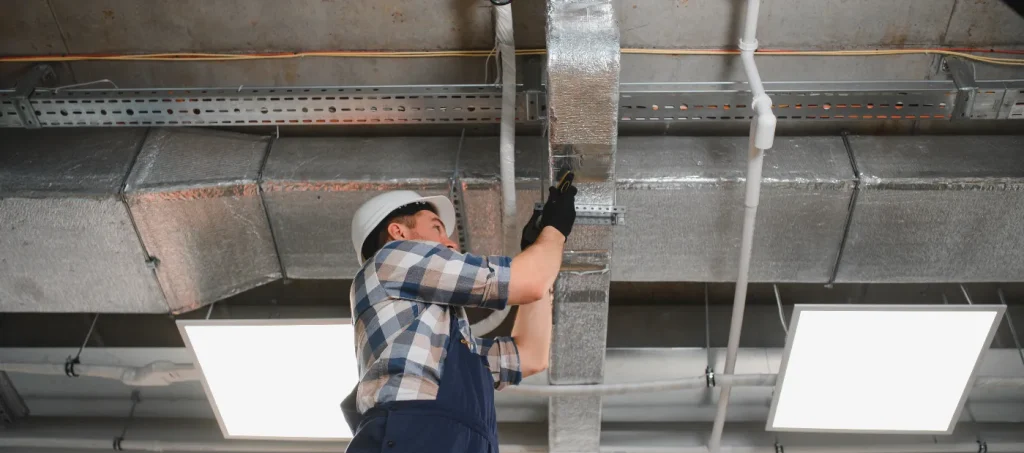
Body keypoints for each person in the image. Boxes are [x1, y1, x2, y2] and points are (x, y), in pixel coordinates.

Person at [342, 185, 577, 453]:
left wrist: (537, 251)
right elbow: (527, 282)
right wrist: (554, 232)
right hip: (416, 435)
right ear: (399, 232)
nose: (451, 242)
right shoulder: (389, 259)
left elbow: (531, 355)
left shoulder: (446, 346)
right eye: (437, 228)